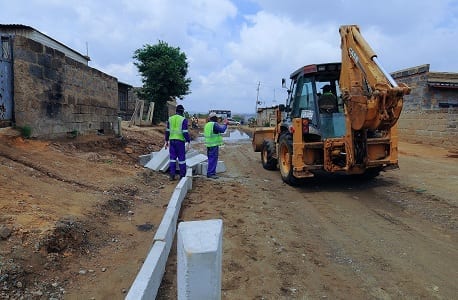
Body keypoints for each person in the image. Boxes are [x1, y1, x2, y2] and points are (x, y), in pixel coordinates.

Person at [164, 105, 191, 181]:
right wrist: (188, 140)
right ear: (182, 111)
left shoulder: (170, 119)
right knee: (181, 159)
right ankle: (182, 176)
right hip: (180, 142)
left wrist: (166, 140)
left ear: (176, 111)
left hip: (172, 141)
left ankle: (172, 175)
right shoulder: (183, 119)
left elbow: (167, 131)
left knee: (172, 159)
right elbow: (185, 132)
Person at [204, 112, 228, 179]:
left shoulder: (207, 124)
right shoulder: (214, 124)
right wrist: (225, 124)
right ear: (215, 118)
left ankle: (210, 172)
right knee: (213, 159)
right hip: (213, 145)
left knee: (210, 159)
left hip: (208, 145)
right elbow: (222, 130)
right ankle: (211, 174)